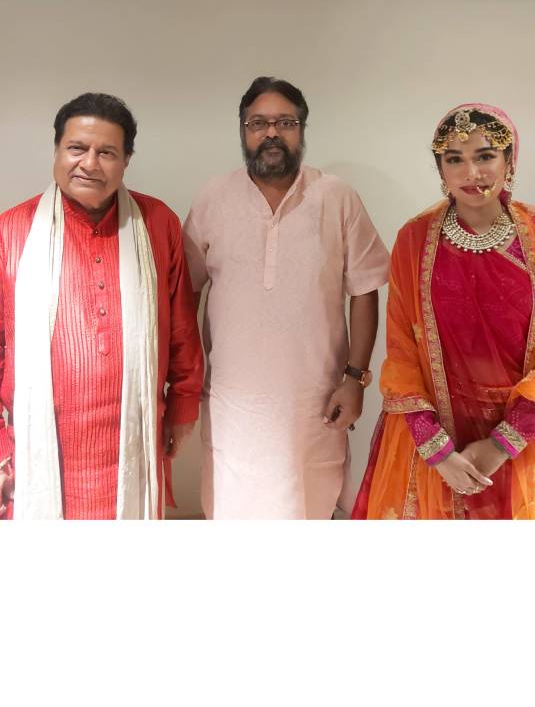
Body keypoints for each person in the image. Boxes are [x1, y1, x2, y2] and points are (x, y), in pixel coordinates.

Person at [183, 76, 389, 519]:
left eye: (285, 122)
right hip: (232, 402)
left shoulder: (336, 197)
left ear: (302, 129)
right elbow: (188, 291)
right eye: (258, 123)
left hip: (314, 400)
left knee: (307, 505)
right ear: (243, 130)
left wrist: (355, 379)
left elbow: (365, 289)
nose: (271, 133)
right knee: (232, 510)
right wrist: (189, 375)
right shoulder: (213, 198)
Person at [0, 92, 204, 519]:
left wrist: (184, 405)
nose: (89, 164)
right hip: (39, 450)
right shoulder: (11, 231)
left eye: (106, 152)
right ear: (56, 151)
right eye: (76, 148)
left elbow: (182, 328)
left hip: (133, 442)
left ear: (126, 160)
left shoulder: (157, 223)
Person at [353, 103, 535, 520]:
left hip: (524, 436)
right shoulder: (414, 241)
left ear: (509, 161)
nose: (472, 173)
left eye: (485, 156)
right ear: (441, 169)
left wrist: (503, 444)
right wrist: (436, 449)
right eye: (455, 159)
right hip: (435, 444)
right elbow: (401, 353)